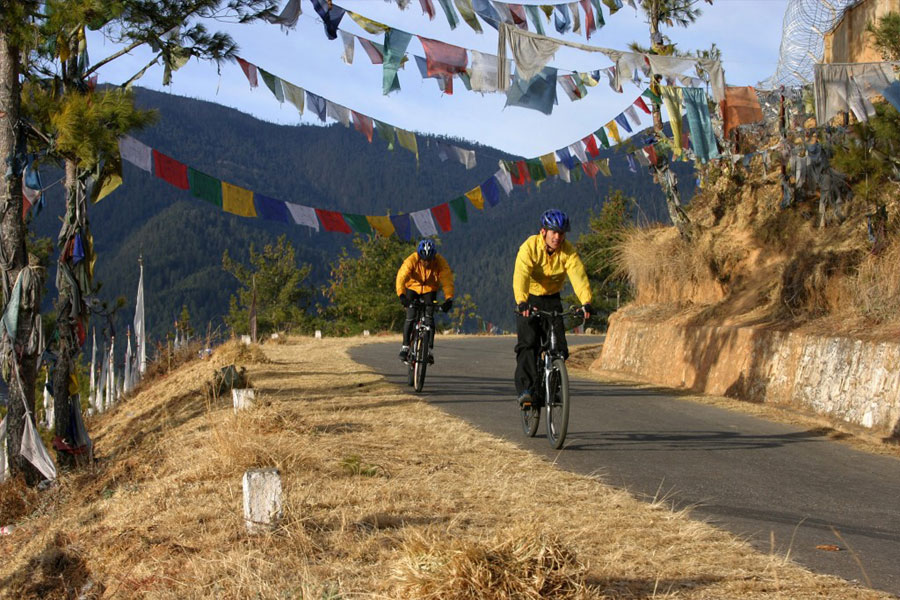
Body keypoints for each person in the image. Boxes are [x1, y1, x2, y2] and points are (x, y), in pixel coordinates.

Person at [513, 209, 593, 408]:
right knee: (528, 344)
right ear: (543, 232)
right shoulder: (529, 247)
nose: (558, 237)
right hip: (529, 299)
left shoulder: (567, 251)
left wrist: (586, 302)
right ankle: (526, 390)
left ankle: (554, 388)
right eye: (554, 232)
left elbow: (578, 275)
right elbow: (521, 274)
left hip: (552, 299)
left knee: (560, 348)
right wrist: (521, 301)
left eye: (562, 233)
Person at [396, 239, 454, 363]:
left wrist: (449, 298)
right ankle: (405, 346)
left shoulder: (440, 262)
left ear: (434, 257)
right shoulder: (411, 260)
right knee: (410, 316)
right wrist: (402, 296)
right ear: (419, 256)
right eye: (424, 260)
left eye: (429, 260)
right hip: (412, 287)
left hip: (429, 289)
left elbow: (447, 280)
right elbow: (401, 277)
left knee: (429, 317)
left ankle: (428, 350)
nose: (426, 263)